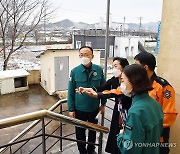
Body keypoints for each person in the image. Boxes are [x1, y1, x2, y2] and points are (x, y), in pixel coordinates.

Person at [77, 57, 132, 154]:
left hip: (128, 109)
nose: (113, 69)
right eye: (112, 66)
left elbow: (114, 93)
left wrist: (97, 95)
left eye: (116, 66)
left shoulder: (130, 81)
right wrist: (88, 89)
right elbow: (103, 87)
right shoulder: (114, 79)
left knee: (126, 132)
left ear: (124, 67)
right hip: (118, 109)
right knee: (116, 131)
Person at [134, 52, 178, 154]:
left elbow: (169, 115)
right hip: (141, 134)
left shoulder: (164, 87)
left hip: (158, 137)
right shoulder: (140, 84)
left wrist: (150, 127)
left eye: (136, 65)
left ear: (145, 67)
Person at [116, 64, 164, 154]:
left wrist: (121, 136)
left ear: (133, 82)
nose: (120, 84)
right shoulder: (155, 104)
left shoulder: (135, 112)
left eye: (122, 80)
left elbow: (129, 149)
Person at [67, 46, 106, 154]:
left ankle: (91, 149)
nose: (84, 57)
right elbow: (70, 92)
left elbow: (104, 87)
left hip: (94, 107)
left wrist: (103, 104)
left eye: (86, 54)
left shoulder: (98, 70)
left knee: (93, 131)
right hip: (79, 109)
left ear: (92, 56)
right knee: (80, 132)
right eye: (81, 55)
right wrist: (71, 109)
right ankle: (82, 151)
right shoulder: (74, 71)